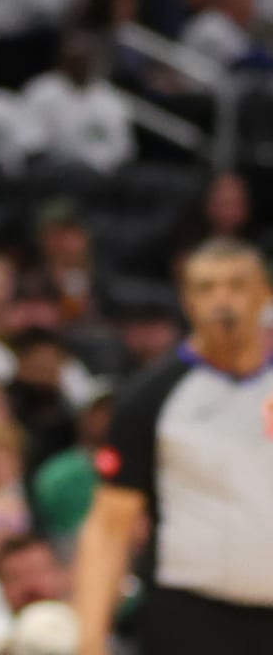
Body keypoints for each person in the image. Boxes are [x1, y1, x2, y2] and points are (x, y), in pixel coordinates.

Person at [72, 239, 273, 655]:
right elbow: (110, 527)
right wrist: (89, 640)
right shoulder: (149, 398)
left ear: (265, 293)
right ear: (187, 301)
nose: (222, 300)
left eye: (236, 285)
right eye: (206, 288)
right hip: (188, 614)